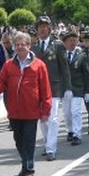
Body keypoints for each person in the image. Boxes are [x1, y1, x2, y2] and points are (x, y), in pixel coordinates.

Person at [0, 32, 51, 176]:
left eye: (22, 44)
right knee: (18, 141)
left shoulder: (39, 65)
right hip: (14, 110)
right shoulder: (9, 65)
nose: (19, 47)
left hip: (31, 111)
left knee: (29, 141)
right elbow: (0, 81)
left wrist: (46, 110)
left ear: (29, 45)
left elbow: (46, 90)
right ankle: (25, 164)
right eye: (17, 45)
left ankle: (29, 171)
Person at [30, 15, 71, 161]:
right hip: (38, 88)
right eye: (40, 27)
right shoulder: (33, 48)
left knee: (52, 118)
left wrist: (68, 87)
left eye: (44, 26)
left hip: (54, 87)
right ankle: (48, 143)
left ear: (49, 28)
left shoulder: (58, 46)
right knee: (43, 119)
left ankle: (51, 148)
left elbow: (64, 68)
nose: (42, 29)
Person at [61, 30, 89, 145]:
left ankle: (77, 134)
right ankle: (70, 130)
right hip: (65, 88)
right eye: (70, 40)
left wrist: (88, 91)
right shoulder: (61, 55)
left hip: (78, 88)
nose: (72, 43)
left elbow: (86, 74)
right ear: (65, 42)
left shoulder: (82, 55)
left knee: (76, 112)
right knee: (67, 113)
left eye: (75, 40)